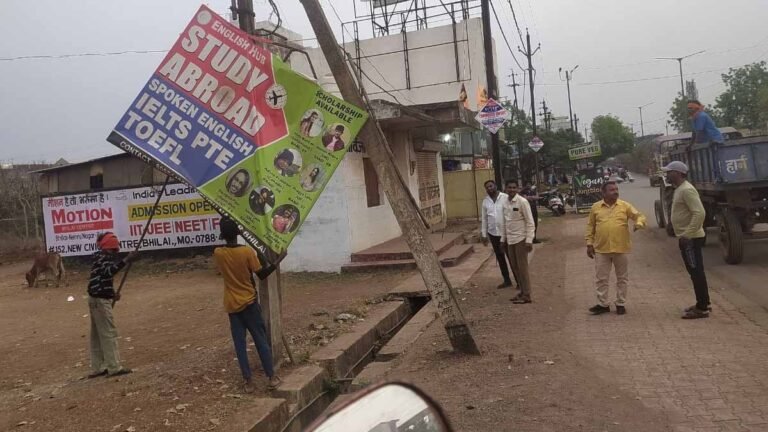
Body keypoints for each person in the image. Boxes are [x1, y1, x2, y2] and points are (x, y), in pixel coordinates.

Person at [213, 217, 282, 392]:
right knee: (260, 340)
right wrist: (277, 261)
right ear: (237, 233)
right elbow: (262, 273)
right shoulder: (247, 252)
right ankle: (271, 377)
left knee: (240, 345)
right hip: (250, 303)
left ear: (222, 234)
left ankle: (248, 381)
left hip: (232, 305)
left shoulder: (218, 253)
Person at [585, 181, 646, 315]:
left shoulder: (624, 206)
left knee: (622, 278)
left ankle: (620, 303)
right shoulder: (596, 207)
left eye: (616, 189)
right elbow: (590, 226)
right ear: (604, 193)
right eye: (612, 190)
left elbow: (639, 216)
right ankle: (602, 304)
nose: (616, 192)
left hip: (621, 248)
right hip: (601, 249)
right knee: (601, 278)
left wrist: (639, 223)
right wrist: (589, 244)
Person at [663, 161, 711, 319]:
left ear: (678, 173)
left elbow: (700, 213)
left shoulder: (687, 190)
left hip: (691, 239)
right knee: (694, 271)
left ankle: (702, 308)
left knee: (696, 272)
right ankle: (703, 303)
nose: (667, 174)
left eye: (669, 172)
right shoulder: (679, 189)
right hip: (688, 238)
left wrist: (687, 234)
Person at [86, 232, 136, 378]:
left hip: (95, 299)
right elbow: (108, 272)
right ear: (109, 248)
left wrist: (111, 294)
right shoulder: (104, 258)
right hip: (100, 301)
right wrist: (126, 260)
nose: (115, 253)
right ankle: (114, 367)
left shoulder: (98, 257)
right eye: (113, 250)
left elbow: (102, 279)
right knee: (108, 333)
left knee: (97, 335)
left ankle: (98, 367)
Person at [499, 180, 536, 304]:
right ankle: (522, 291)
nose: (512, 190)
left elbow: (530, 222)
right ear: (505, 189)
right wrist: (503, 239)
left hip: (521, 239)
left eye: (514, 187)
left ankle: (527, 295)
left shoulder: (522, 202)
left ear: (518, 189)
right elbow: (504, 223)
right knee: (515, 268)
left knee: (522, 268)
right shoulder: (505, 202)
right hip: (510, 240)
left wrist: (529, 240)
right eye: (509, 187)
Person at [480, 180, 514, 289]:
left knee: (511, 257)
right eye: (487, 187)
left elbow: (512, 213)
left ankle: (519, 281)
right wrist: (484, 234)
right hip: (493, 234)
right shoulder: (485, 201)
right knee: (500, 258)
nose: (489, 188)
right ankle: (507, 280)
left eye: (491, 186)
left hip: (506, 233)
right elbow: (484, 219)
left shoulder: (505, 197)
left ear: (495, 186)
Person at [688, 100, 725, 182]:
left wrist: (696, 144)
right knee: (707, 161)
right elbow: (694, 132)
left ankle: (719, 178)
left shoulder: (702, 116)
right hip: (706, 143)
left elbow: (699, 131)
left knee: (714, 160)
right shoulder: (694, 118)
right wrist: (690, 145)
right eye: (688, 108)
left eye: (691, 108)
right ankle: (712, 177)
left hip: (715, 140)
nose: (689, 110)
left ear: (696, 108)